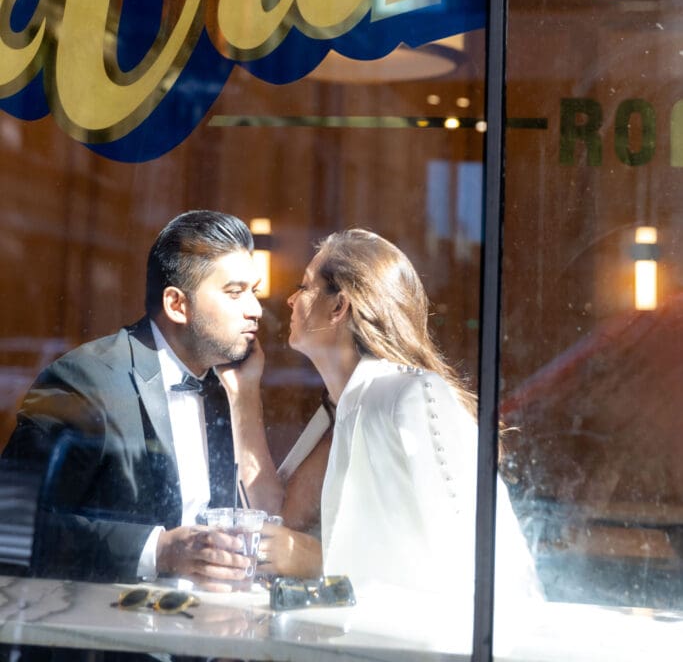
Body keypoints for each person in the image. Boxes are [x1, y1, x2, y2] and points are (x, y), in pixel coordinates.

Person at [254, 228, 541, 636]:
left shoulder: (409, 395)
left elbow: (463, 567)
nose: (290, 299)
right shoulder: (334, 414)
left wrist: (314, 559)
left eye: (304, 286)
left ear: (339, 306)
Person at [1, 210, 282, 585]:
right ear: (176, 305)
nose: (256, 309)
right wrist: (158, 550)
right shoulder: (85, 379)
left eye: (254, 291)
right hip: (105, 634)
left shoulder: (223, 383)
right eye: (235, 292)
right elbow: (12, 522)